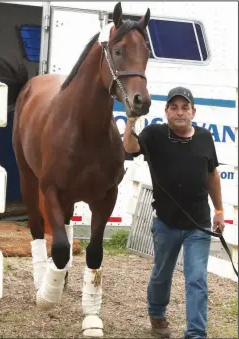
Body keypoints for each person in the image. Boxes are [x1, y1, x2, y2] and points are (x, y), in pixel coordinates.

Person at [123, 86, 225, 339]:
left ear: (193, 111)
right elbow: (130, 146)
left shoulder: (205, 138)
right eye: (174, 107)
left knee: (197, 280)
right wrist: (132, 119)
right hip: (166, 223)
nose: (180, 112)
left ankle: (196, 333)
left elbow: (212, 174)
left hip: (198, 225)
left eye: (185, 107)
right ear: (166, 111)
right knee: (161, 275)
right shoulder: (155, 134)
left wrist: (220, 210)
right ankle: (157, 315)